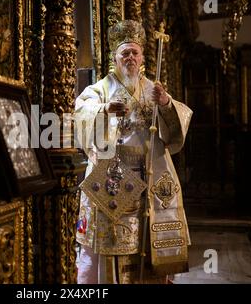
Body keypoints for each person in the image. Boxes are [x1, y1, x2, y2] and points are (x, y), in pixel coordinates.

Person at [75, 20, 193, 284]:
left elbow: (176, 127)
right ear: (115, 59)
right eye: (124, 53)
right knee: (110, 247)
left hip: (149, 180)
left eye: (134, 52)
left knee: (147, 243)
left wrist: (164, 103)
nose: (130, 57)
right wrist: (104, 109)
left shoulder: (153, 88)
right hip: (114, 182)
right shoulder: (101, 89)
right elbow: (81, 110)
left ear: (142, 58)